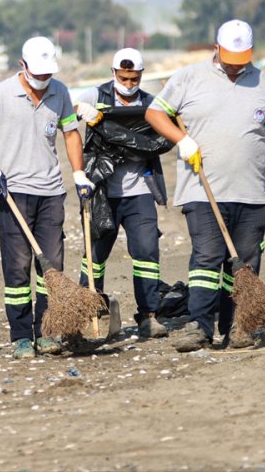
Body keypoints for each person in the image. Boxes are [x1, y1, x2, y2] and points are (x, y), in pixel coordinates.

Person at [145, 20, 265, 351]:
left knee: (245, 264)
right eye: (231, 58)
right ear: (216, 49)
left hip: (252, 192)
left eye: (242, 59)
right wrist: (183, 140)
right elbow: (155, 114)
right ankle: (200, 327)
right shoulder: (189, 78)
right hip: (202, 189)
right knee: (207, 258)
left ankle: (239, 327)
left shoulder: (262, 80)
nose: (237, 66)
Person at [0, 36, 93, 360]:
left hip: (51, 193)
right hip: (12, 192)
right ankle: (20, 336)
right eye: (39, 74)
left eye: (48, 74)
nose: (44, 81)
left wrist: (78, 174)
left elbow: (71, 133)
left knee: (52, 268)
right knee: (17, 269)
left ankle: (47, 332)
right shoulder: (0, 93)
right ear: (23, 66)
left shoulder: (59, 91)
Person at [74, 47, 174, 338]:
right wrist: (81, 110)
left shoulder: (151, 104)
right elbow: (65, 115)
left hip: (139, 192)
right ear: (113, 73)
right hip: (102, 192)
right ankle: (87, 314)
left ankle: (149, 315)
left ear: (141, 75)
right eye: (123, 78)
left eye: (134, 79)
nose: (129, 85)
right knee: (94, 255)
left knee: (146, 253)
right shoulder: (97, 97)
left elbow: (162, 137)